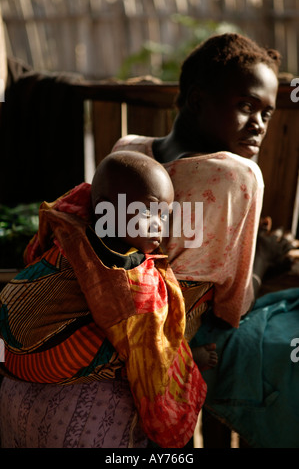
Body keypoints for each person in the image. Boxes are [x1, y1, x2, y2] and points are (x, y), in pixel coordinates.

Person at [112, 33, 299, 447]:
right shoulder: (237, 175)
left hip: (108, 319)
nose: (259, 125)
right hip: (171, 336)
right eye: (246, 106)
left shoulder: (127, 151)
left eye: (267, 114)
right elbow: (232, 308)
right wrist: (266, 255)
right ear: (196, 101)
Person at [0, 150, 207, 448]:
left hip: (13, 377)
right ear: (108, 210)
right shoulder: (128, 275)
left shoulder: (70, 231)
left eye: (166, 214)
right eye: (150, 213)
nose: (161, 225)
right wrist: (187, 361)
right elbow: (150, 352)